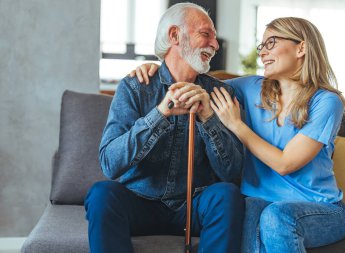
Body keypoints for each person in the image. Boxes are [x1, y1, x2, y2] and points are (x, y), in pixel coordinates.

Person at [131, 17, 345, 253]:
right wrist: (157, 68)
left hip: (318, 207)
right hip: (259, 200)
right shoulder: (252, 88)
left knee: (277, 217)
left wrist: (237, 125)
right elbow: (192, 80)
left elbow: (286, 163)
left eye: (271, 43)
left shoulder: (326, 102)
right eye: (262, 46)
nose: (263, 53)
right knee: (250, 213)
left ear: (301, 47)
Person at [84, 3, 245, 253]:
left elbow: (233, 173)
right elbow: (110, 164)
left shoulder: (222, 93)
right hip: (140, 203)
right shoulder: (135, 87)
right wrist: (160, 114)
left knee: (226, 195)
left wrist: (208, 117)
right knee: (102, 193)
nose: (215, 44)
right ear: (174, 36)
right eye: (206, 34)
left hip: (193, 208)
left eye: (214, 37)